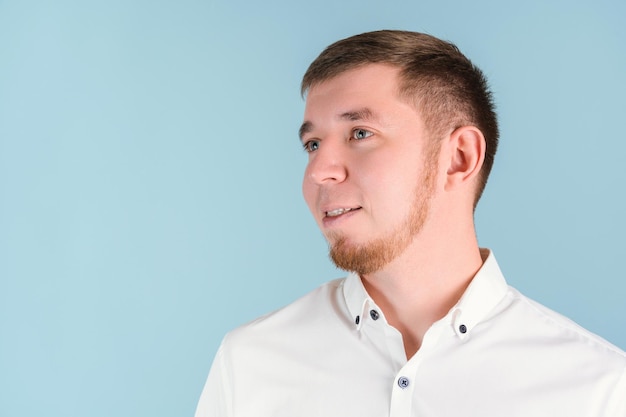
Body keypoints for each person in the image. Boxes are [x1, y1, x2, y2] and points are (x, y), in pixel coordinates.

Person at [195, 30, 626, 416]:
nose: (318, 172)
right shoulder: (251, 363)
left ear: (458, 158)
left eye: (360, 133)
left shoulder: (598, 390)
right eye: (312, 144)